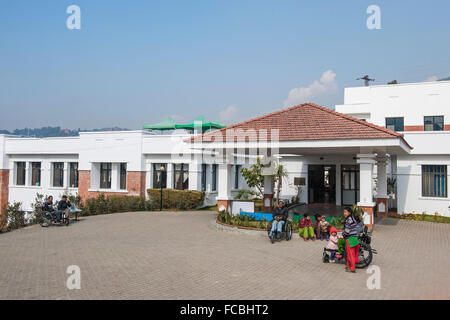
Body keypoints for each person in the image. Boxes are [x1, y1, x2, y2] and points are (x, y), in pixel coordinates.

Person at [342, 207, 361, 273]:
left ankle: (352, 268)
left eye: (345, 212)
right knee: (350, 254)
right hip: (354, 238)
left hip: (350, 239)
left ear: (349, 213)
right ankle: (348, 266)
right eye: (344, 212)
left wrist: (343, 235)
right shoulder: (352, 218)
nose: (344, 213)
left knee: (350, 255)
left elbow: (347, 230)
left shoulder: (349, 220)